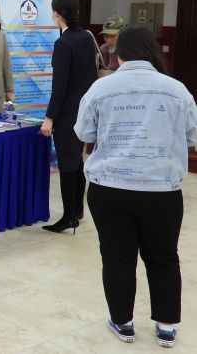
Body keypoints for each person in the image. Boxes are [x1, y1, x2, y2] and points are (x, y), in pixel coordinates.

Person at [74, 26, 197, 348]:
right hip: (162, 190)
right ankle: (166, 327)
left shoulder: (101, 87)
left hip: (109, 188)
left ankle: (123, 322)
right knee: (163, 256)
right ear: (151, 52)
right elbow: (192, 137)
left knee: (117, 257)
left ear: (119, 55)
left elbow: (84, 133)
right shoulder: (177, 90)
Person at [40, 0, 97, 233]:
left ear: (57, 14)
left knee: (67, 163)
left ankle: (68, 217)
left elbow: (59, 85)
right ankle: (77, 210)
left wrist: (49, 117)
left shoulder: (63, 43)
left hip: (67, 113)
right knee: (77, 160)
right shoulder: (87, 37)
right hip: (85, 109)